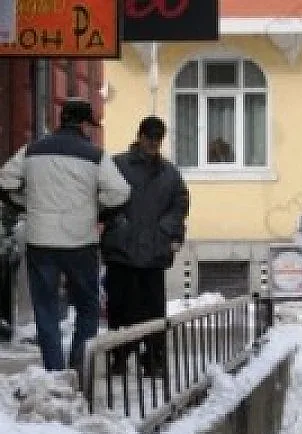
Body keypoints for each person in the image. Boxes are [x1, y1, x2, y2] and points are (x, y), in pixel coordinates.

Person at [0, 98, 131, 372]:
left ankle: (54, 371)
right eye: (89, 126)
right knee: (87, 307)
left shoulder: (32, 150)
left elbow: (5, 181)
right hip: (80, 242)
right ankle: (79, 365)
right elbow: (119, 193)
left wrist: (25, 204)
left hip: (40, 241)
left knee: (45, 308)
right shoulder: (94, 155)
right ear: (83, 124)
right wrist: (98, 213)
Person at [100, 116, 189, 376]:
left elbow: (180, 203)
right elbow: (102, 197)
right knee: (120, 308)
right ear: (139, 136)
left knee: (153, 309)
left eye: (157, 138)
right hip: (122, 250)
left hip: (152, 251)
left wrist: (168, 230)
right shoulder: (117, 165)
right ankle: (119, 355)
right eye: (149, 137)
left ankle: (153, 359)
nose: (153, 143)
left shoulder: (169, 172)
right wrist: (116, 221)